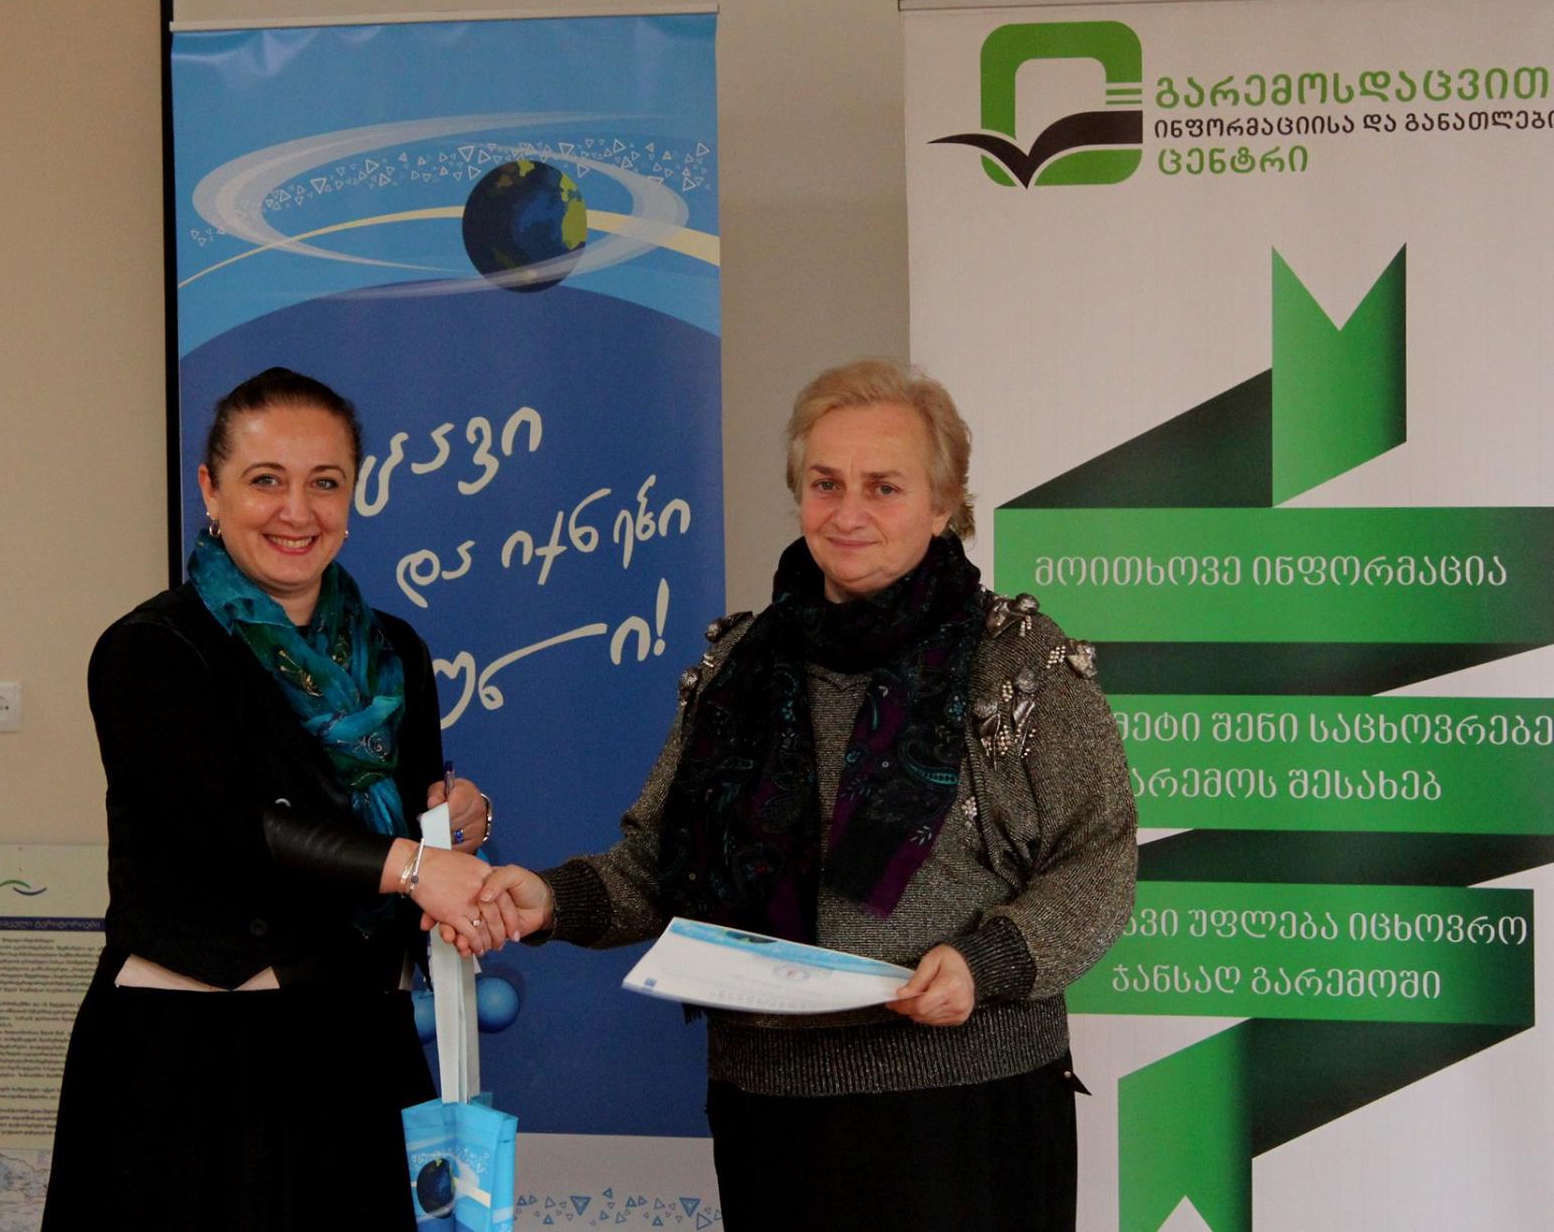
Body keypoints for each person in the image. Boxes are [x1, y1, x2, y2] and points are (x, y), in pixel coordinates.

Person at [471, 360, 1138, 1231]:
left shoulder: (1020, 662)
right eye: (826, 483)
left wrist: (988, 964)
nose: (848, 511)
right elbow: (657, 867)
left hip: (968, 1110)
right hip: (770, 1119)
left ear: (944, 504)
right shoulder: (738, 666)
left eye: (884, 486)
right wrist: (550, 898)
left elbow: (1097, 863)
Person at [41, 367, 499, 1230]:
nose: (297, 510)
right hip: (197, 1061)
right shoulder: (152, 649)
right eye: (266, 480)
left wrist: (454, 818)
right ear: (210, 490)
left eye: (325, 482)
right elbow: (227, 830)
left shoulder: (395, 649)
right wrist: (413, 865)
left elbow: (408, 817)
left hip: (358, 1047)